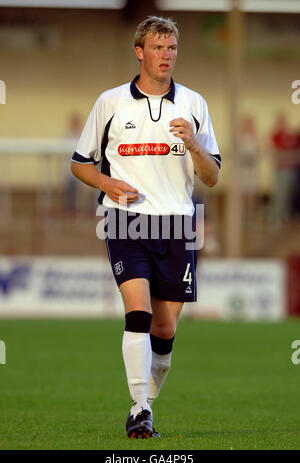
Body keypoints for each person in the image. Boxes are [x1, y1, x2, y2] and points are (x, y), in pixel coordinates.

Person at [70, 16, 221, 439]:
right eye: (157, 48)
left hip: (178, 224)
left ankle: (145, 405)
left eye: (171, 48)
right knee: (138, 313)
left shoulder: (194, 104)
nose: (165, 55)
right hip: (126, 221)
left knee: (165, 329)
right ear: (140, 51)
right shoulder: (111, 102)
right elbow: (79, 163)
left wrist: (193, 144)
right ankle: (138, 411)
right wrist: (105, 182)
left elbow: (211, 177)